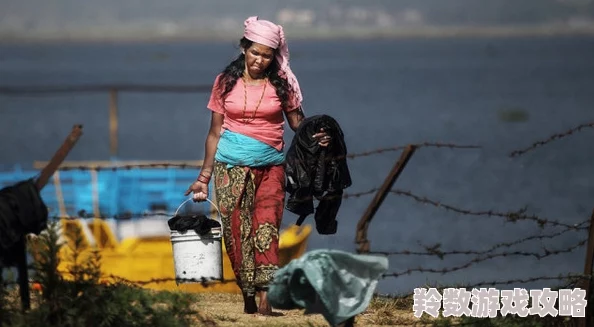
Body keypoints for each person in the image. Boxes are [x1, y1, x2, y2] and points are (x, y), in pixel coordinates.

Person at [184, 16, 330, 315]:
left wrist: (318, 137)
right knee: (237, 233)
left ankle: (265, 296)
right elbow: (214, 132)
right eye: (254, 52)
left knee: (266, 228)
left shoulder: (283, 83)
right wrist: (204, 176)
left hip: (272, 167)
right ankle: (247, 292)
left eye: (266, 55)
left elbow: (297, 124)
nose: (259, 60)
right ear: (244, 48)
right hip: (229, 168)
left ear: (273, 56)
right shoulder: (225, 82)